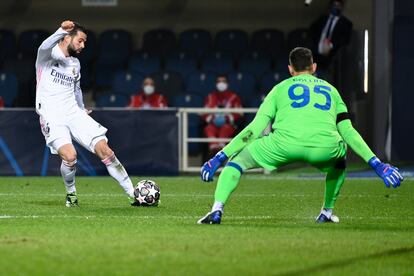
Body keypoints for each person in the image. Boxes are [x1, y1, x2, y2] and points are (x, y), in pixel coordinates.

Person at [198, 47, 403, 224]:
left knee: (239, 160)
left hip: (282, 146)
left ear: (290, 69)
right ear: (314, 67)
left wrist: (220, 157)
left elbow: (255, 128)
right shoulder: (332, 91)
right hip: (323, 148)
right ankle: (326, 212)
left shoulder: (279, 89)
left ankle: (217, 209)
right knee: (340, 158)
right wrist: (377, 164)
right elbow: (348, 131)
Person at [35, 20, 137, 207]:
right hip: (52, 116)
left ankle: (134, 194)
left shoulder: (75, 63)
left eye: (84, 43)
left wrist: (81, 108)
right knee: (70, 156)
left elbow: (76, 89)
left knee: (105, 150)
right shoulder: (47, 56)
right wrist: (60, 30)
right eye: (80, 41)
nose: (82, 46)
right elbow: (44, 45)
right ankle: (71, 194)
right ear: (67, 38)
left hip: (73, 112)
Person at [203, 75, 242, 157]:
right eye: (219, 81)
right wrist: (211, 119)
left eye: (223, 81)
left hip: (228, 125)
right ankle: (214, 148)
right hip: (213, 124)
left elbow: (239, 113)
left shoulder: (234, 97)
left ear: (227, 84)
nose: (221, 83)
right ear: (216, 84)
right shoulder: (210, 97)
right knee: (208, 128)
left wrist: (227, 118)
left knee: (226, 128)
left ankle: (221, 149)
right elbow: (203, 113)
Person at [309, 0, 352, 72]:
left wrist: (331, 46)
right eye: (334, 5)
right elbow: (312, 30)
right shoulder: (323, 18)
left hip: (332, 56)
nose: (336, 8)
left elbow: (345, 40)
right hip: (316, 53)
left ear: (341, 7)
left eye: (338, 6)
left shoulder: (346, 23)